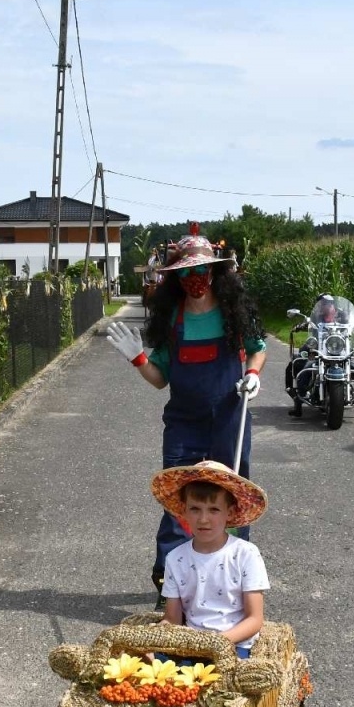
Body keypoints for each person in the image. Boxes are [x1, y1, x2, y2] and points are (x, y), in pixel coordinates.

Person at [106, 226, 267, 605]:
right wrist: (138, 358)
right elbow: (160, 380)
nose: (196, 279)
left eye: (202, 271)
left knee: (229, 499)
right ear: (176, 278)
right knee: (181, 501)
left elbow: (257, 350)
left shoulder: (233, 315)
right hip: (184, 424)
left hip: (230, 418)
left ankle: (232, 584)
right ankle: (170, 586)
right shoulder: (171, 321)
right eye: (187, 272)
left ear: (216, 272)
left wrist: (253, 376)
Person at [149, 459, 268, 658]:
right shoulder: (175, 558)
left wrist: (216, 642)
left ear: (229, 513)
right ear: (184, 512)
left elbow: (254, 619)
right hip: (190, 644)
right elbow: (173, 619)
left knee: (220, 684)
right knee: (139, 667)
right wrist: (155, 637)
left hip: (232, 644)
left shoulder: (245, 554)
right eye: (195, 509)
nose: (203, 519)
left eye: (214, 509)